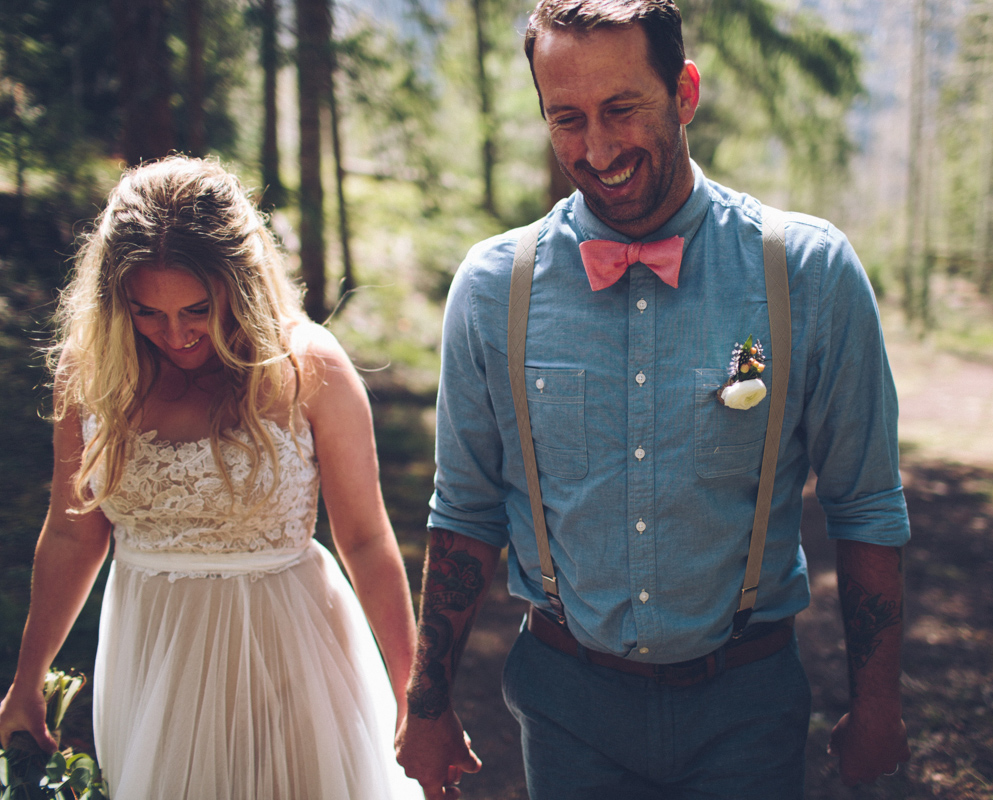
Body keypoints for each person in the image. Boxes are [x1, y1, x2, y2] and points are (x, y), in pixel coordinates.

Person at [396, 1, 912, 797]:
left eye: (621, 109)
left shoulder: (809, 273)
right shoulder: (493, 287)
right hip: (565, 703)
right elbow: (464, 511)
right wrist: (426, 704)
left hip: (749, 701)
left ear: (684, 94)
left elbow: (866, 504)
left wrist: (878, 704)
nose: (597, 149)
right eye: (566, 119)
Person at [0, 156, 424, 799]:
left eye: (197, 309)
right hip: (152, 660)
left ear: (240, 282)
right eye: (147, 312)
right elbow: (70, 532)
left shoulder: (308, 366)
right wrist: (27, 677)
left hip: (291, 658)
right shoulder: (92, 374)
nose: (174, 334)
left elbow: (365, 540)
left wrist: (417, 698)